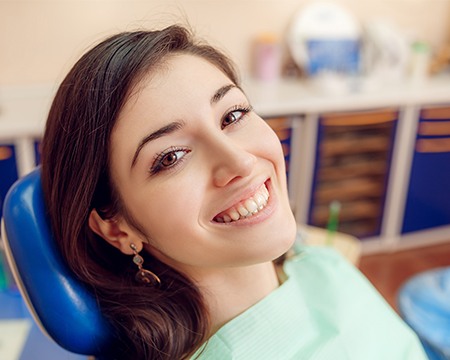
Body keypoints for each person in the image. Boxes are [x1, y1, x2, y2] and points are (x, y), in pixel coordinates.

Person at [41, 25, 427, 360]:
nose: (240, 163)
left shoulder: (318, 263)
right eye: (172, 156)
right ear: (117, 229)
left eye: (233, 115)